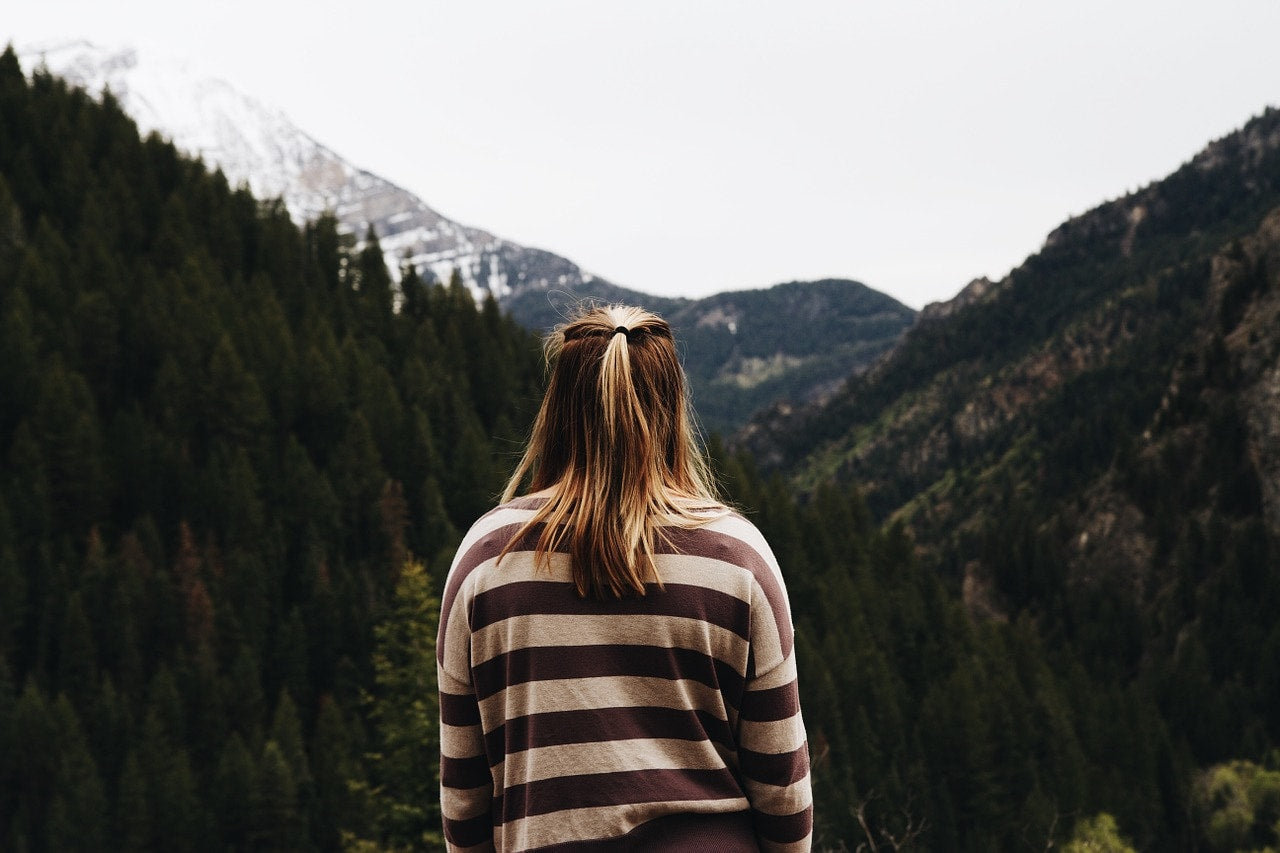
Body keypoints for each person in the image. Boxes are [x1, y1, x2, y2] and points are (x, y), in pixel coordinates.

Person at [437, 304, 812, 851]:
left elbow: (464, 796)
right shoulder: (737, 557)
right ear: (671, 408)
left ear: (558, 407)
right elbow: (782, 791)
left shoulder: (486, 560)